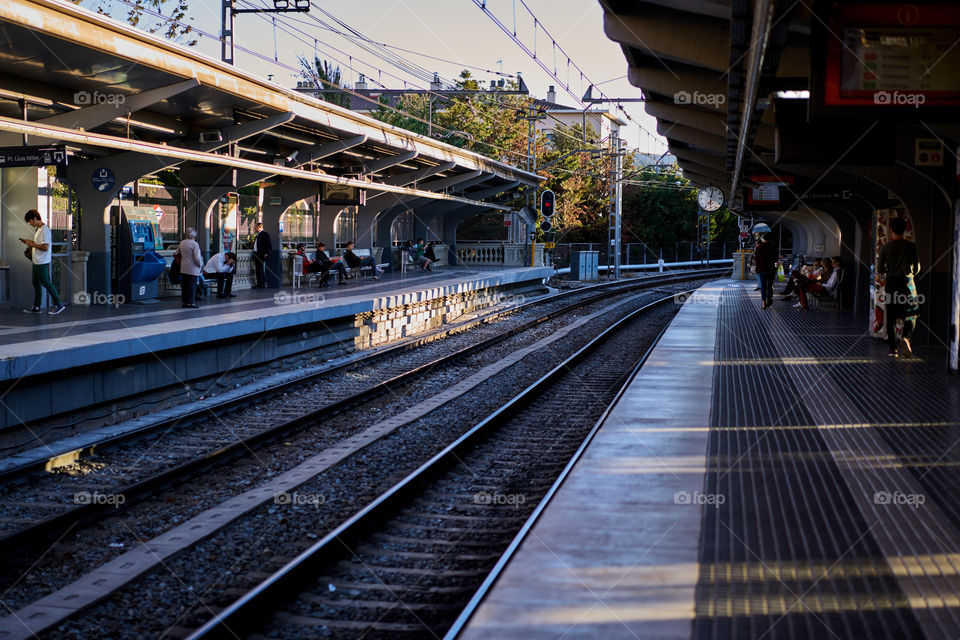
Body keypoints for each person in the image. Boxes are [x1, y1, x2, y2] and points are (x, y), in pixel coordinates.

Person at [878, 217, 921, 357]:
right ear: (904, 230)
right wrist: (911, 273)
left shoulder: (885, 248)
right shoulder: (911, 246)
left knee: (891, 317)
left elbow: (880, 269)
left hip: (891, 283)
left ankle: (892, 349)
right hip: (907, 283)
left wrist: (888, 272)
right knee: (911, 313)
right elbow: (917, 267)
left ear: (891, 230)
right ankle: (906, 337)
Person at [20, 209, 65, 314]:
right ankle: (36, 306)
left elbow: (45, 247)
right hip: (36, 261)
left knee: (45, 282)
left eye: (30, 221)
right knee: (36, 283)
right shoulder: (38, 229)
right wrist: (29, 241)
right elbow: (39, 244)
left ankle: (58, 304)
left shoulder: (44, 230)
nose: (30, 223)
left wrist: (31, 244)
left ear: (35, 218)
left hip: (42, 262)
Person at [178, 228, 203, 308]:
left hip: (183, 267)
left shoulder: (182, 243)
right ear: (194, 236)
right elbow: (197, 258)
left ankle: (184, 302)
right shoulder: (194, 244)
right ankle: (190, 303)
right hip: (192, 268)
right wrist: (200, 265)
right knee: (191, 286)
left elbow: (176, 252)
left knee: (184, 286)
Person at [753, 233, 777, 310]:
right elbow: (776, 259)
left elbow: (756, 259)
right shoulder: (773, 247)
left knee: (763, 287)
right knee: (769, 286)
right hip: (771, 269)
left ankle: (763, 303)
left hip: (762, 269)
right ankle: (769, 300)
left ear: (764, 239)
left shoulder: (759, 247)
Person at [252, 222, 272, 288]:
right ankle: (261, 283)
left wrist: (266, 253)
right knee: (258, 269)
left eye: (255, 227)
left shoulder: (264, 234)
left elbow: (268, 244)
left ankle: (260, 284)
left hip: (260, 254)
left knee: (259, 269)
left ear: (259, 227)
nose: (254, 228)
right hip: (257, 253)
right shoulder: (258, 234)